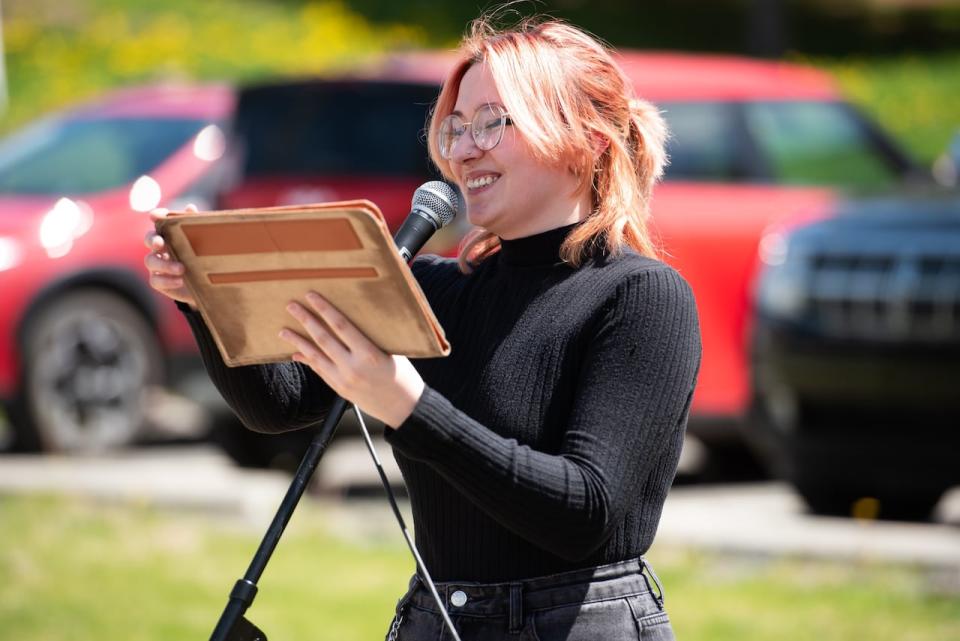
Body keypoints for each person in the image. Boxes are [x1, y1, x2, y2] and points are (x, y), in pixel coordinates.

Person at [145, 14, 700, 641]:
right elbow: (280, 406)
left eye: (493, 122)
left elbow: (588, 512)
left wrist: (408, 407)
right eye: (455, 127)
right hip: (437, 618)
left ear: (588, 140)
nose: (463, 150)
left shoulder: (641, 297)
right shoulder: (435, 287)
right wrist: (206, 297)